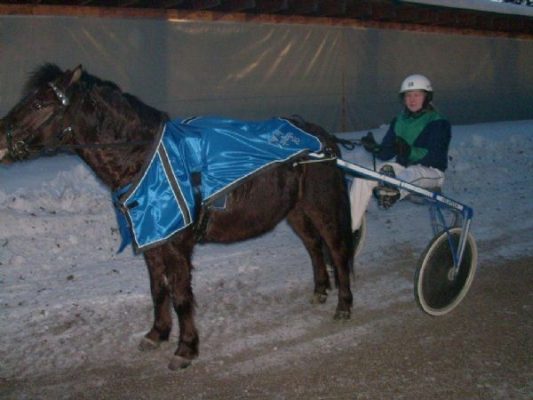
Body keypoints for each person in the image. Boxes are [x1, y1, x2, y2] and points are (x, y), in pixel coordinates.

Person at [349, 74, 451, 233]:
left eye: (417, 95)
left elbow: (435, 156)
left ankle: (390, 193)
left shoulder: (438, 122)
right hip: (403, 169)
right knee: (364, 176)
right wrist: (374, 148)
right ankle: (350, 229)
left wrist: (408, 151)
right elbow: (386, 153)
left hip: (431, 172)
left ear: (427, 97)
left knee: (412, 172)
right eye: (408, 95)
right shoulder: (399, 120)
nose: (412, 100)